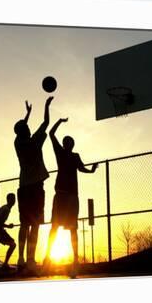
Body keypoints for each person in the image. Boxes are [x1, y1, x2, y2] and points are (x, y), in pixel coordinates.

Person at [43, 118, 98, 277]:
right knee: (54, 227)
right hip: (60, 195)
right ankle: (47, 258)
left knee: (72, 228)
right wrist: (59, 121)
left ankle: (75, 261)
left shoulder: (75, 156)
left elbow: (81, 169)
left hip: (72, 197)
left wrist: (92, 170)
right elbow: (51, 133)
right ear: (63, 144)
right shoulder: (59, 152)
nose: (66, 143)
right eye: (65, 141)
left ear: (72, 145)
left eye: (68, 142)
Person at [13, 96, 53, 272]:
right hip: (36, 187)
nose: (28, 127)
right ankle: (30, 259)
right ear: (26, 131)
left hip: (24, 187)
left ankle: (21, 258)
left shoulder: (18, 142)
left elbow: (21, 127)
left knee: (24, 224)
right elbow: (46, 122)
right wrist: (46, 105)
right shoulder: (35, 140)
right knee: (35, 224)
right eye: (27, 126)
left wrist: (27, 114)